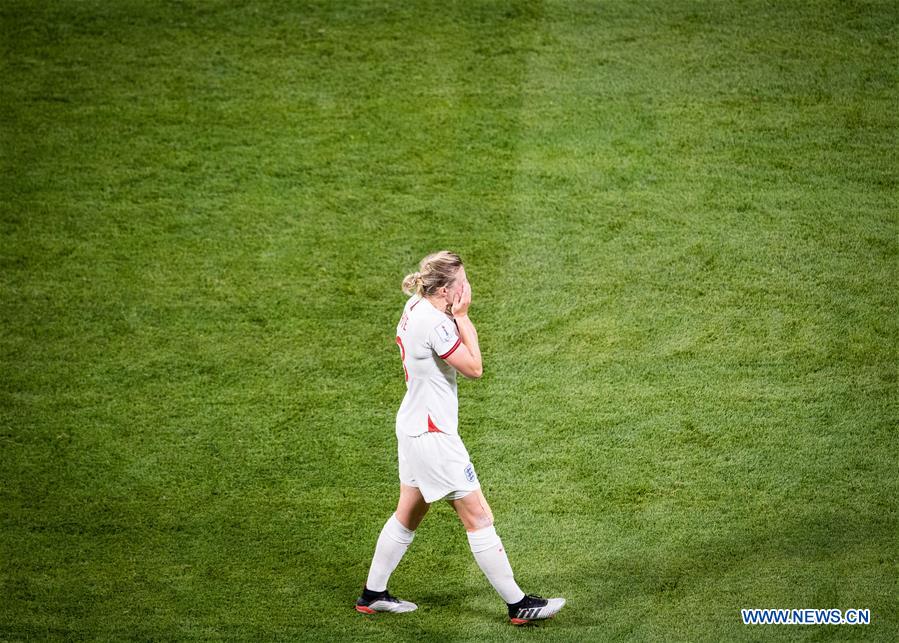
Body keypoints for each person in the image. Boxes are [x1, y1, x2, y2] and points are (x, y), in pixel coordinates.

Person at [355, 250, 565, 626]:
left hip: (413, 426)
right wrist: (464, 318)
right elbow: (474, 368)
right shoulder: (437, 323)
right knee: (479, 516)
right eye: (463, 283)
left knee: (409, 512)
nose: (468, 288)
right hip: (433, 436)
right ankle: (519, 605)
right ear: (447, 290)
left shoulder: (415, 305)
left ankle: (373, 595)